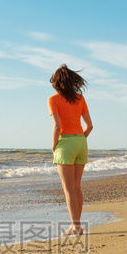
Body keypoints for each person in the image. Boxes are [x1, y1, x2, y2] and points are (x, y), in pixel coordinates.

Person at [48, 64, 93, 236]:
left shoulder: (53, 100)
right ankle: (78, 226)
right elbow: (89, 126)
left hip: (65, 143)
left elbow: (57, 126)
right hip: (81, 142)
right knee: (76, 187)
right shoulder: (80, 98)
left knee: (68, 189)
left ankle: (75, 227)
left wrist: (55, 145)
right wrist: (79, 140)